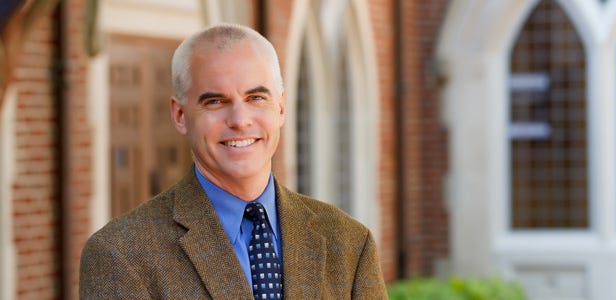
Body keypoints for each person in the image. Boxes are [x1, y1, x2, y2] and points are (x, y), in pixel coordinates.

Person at [79, 23, 387, 299]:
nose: (240, 120)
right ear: (180, 115)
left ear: (280, 108)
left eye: (256, 98)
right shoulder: (121, 254)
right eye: (215, 101)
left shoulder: (349, 243)